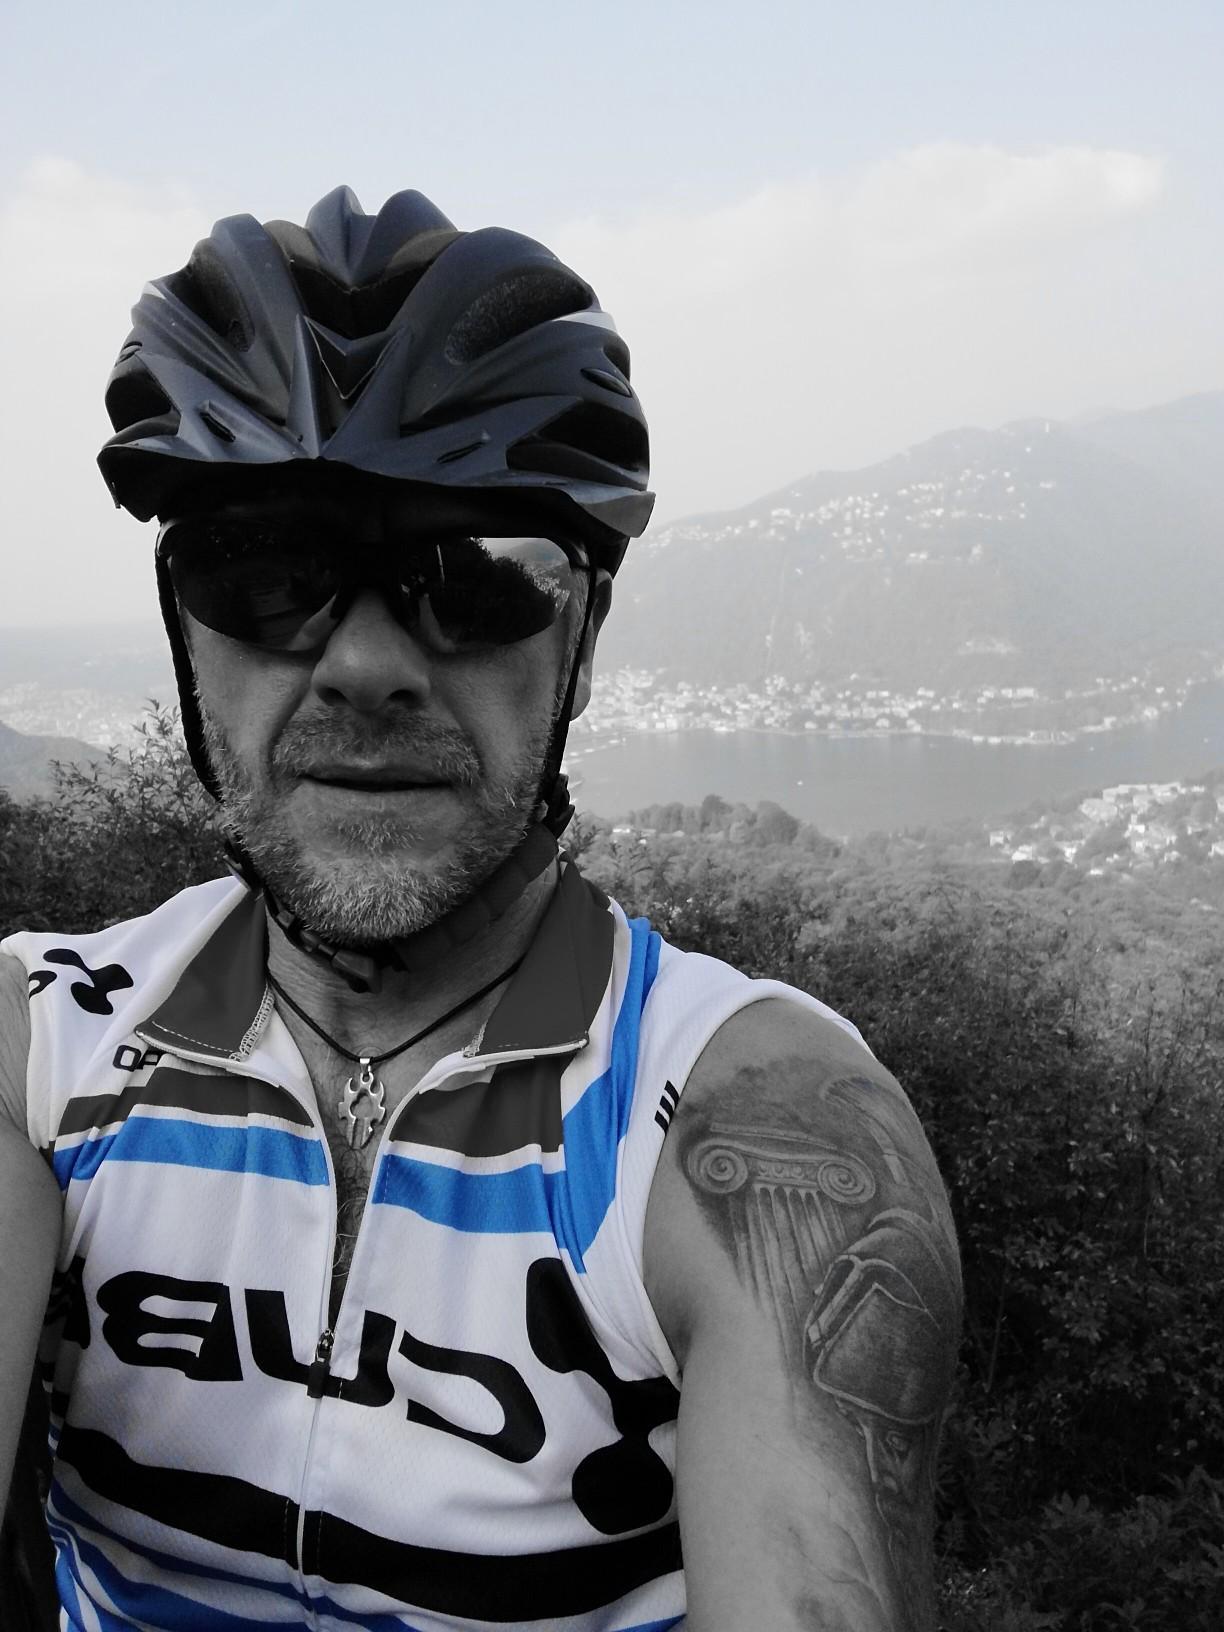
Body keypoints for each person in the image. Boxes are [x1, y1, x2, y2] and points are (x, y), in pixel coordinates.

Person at [0, 186, 962, 1631]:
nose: (366, 664)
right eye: (261, 570)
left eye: (477, 581)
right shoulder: (36, 1052)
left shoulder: (755, 1135)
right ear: (183, 628)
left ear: (582, 642)